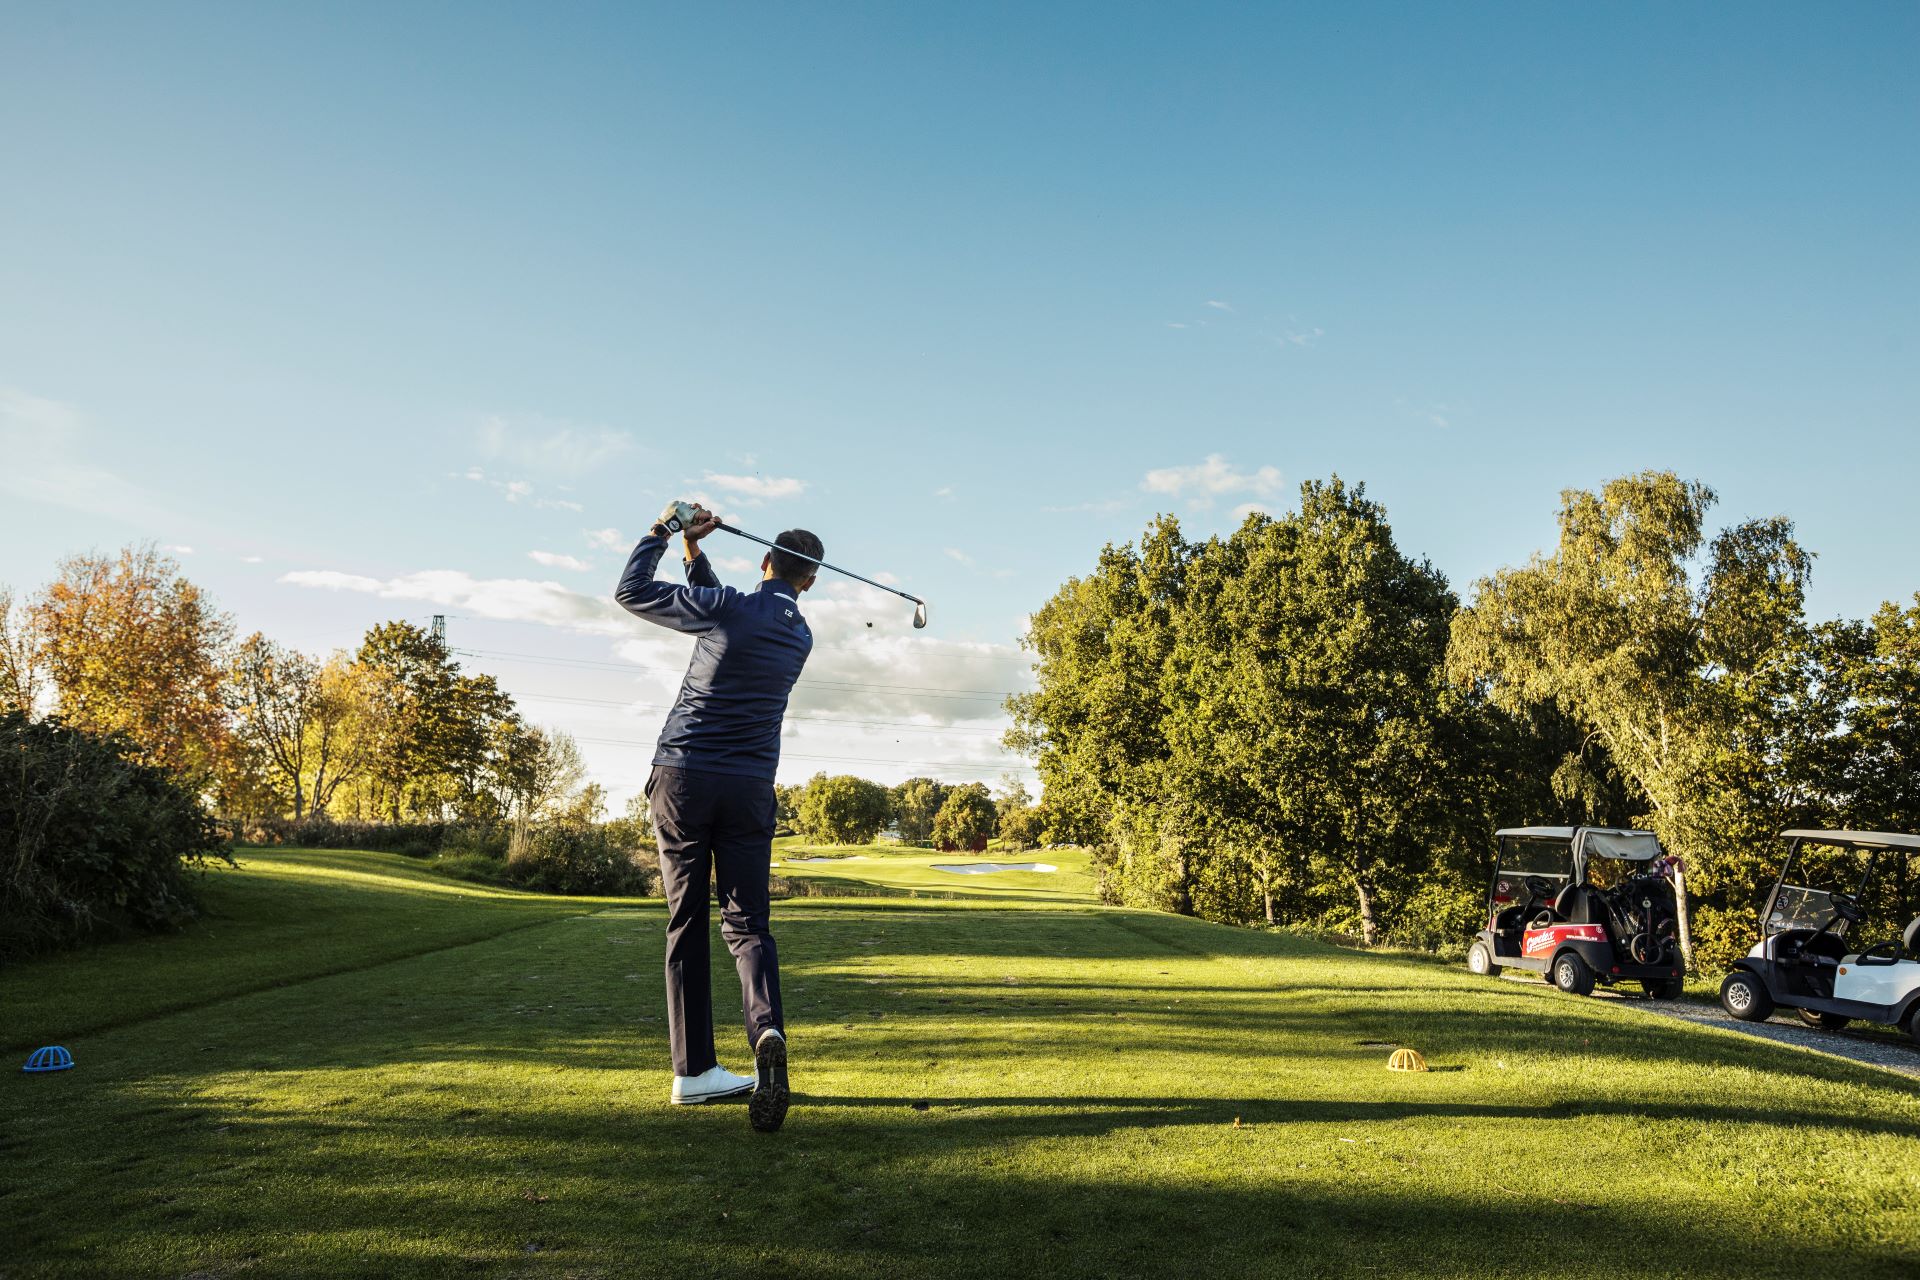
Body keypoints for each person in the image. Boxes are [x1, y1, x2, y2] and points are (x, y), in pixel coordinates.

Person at [614, 500, 821, 1134]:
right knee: (749, 925)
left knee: (686, 921)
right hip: (750, 786)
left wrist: (664, 530)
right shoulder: (799, 634)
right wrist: (696, 554)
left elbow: (633, 592)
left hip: (684, 777)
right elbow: (723, 613)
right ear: (808, 581)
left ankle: (694, 1071)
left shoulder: (729, 605)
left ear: (765, 561)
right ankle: (767, 1034)